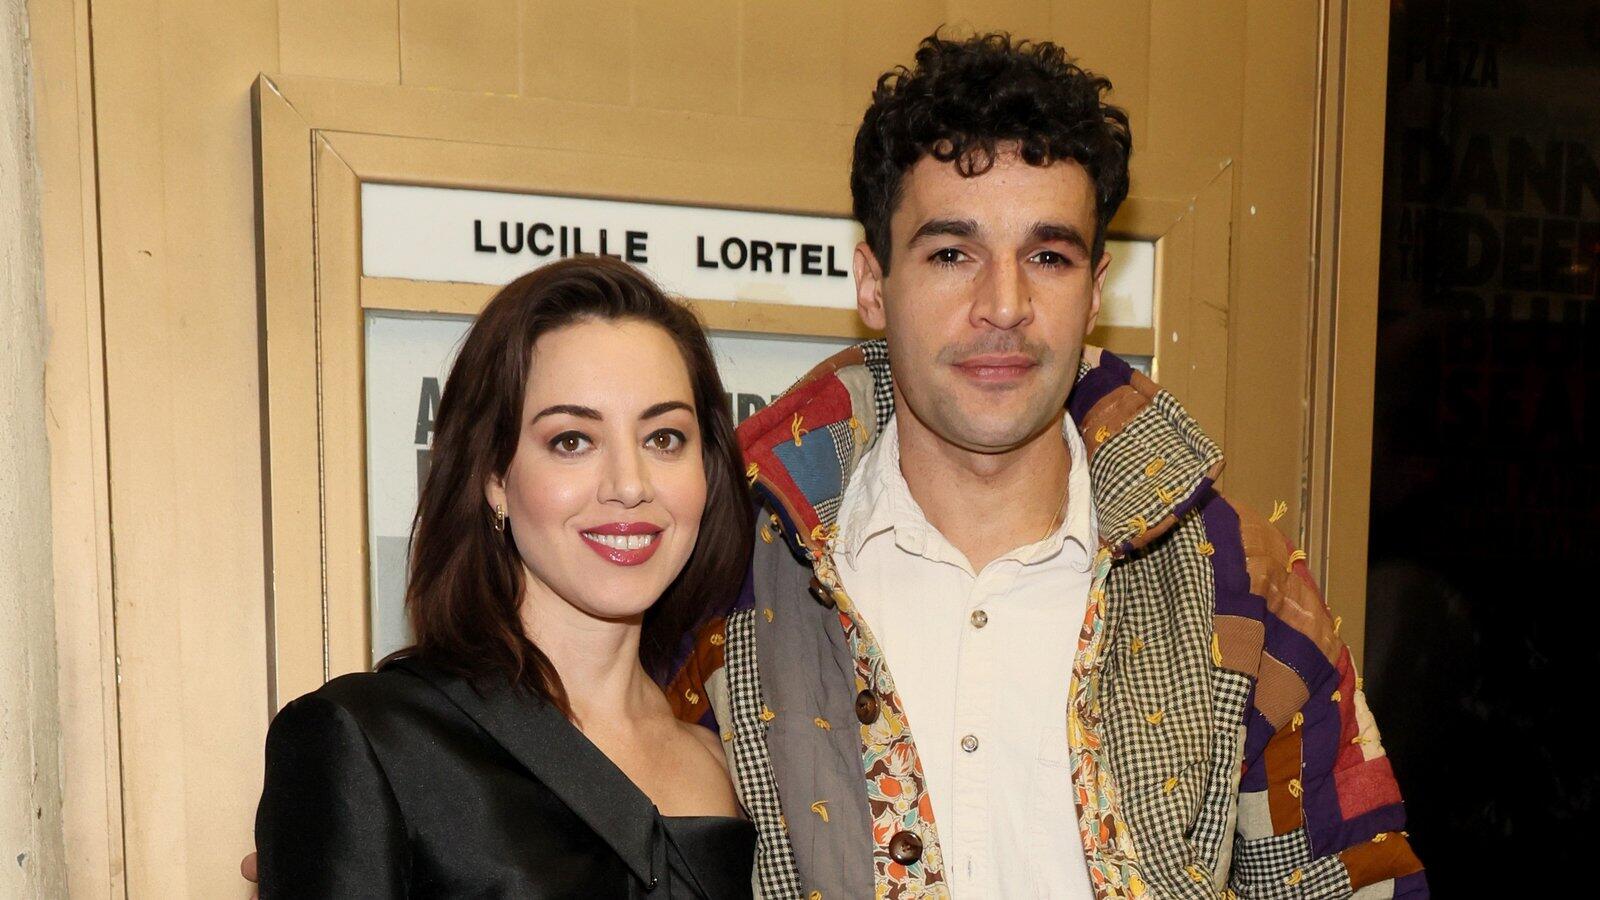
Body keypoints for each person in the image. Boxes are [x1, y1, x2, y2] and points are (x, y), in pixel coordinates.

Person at [657, 33, 1427, 898]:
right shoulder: (726, 570)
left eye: (1048, 257)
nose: (1004, 305)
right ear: (873, 283)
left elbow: (1357, 882)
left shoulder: (1240, 584)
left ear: (1095, 291)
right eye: (952, 254)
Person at [253, 257, 757, 898]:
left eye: (664, 438)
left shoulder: (739, 765)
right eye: (572, 440)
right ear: (494, 477)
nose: (630, 485)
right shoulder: (369, 741)